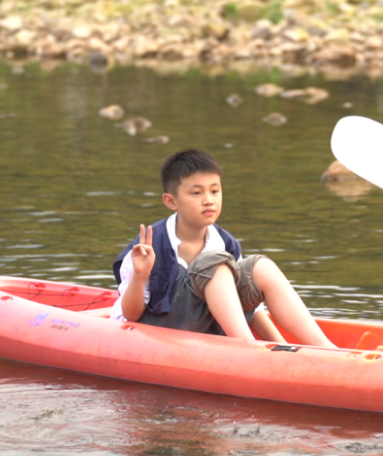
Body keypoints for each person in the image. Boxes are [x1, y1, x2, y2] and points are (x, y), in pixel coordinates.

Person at [111, 149, 336, 348]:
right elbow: (131, 316)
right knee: (215, 264)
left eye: (215, 191)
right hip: (156, 330)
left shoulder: (226, 242)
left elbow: (248, 308)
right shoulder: (148, 245)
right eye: (196, 193)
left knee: (261, 266)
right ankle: (249, 350)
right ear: (171, 201)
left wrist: (280, 347)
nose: (208, 200)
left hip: (209, 325)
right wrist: (140, 276)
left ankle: (328, 350)